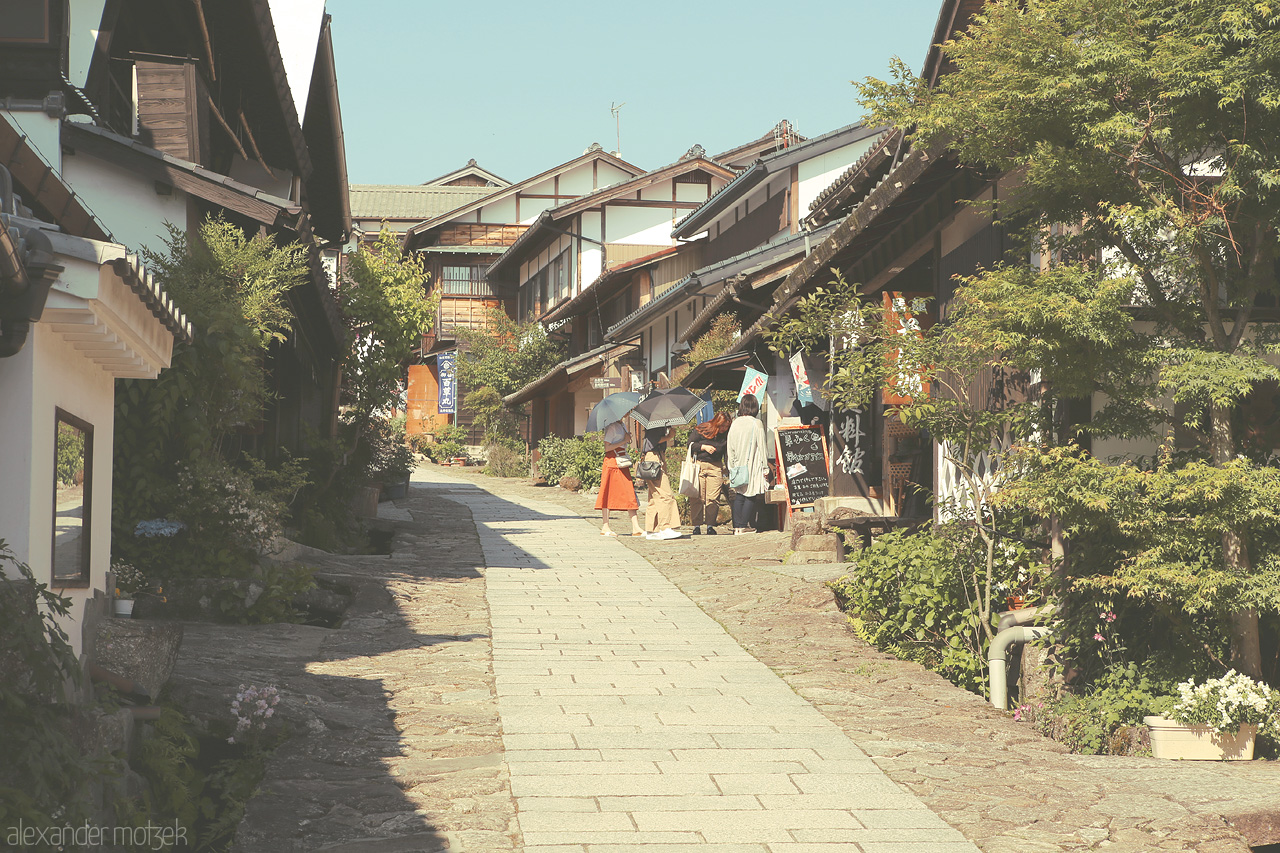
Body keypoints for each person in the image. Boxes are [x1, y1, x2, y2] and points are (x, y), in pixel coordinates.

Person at [726, 394, 769, 535]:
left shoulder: (735, 423)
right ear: (755, 407)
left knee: (739, 495)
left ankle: (737, 527)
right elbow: (762, 446)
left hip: (738, 465)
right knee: (750, 495)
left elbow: (730, 446)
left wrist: (731, 465)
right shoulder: (756, 423)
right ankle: (744, 526)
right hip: (752, 464)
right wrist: (765, 466)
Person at [596, 420, 643, 537]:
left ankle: (636, 526)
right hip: (613, 461)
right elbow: (607, 447)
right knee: (607, 493)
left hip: (622, 460)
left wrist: (626, 439)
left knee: (629, 492)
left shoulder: (622, 425)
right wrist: (624, 440)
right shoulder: (612, 427)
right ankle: (605, 526)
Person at [687, 412, 730, 535]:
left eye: (726, 426)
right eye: (722, 426)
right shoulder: (703, 429)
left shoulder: (726, 435)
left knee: (713, 498)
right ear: (716, 423)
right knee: (697, 497)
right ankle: (697, 525)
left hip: (715, 466)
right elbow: (690, 445)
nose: (723, 429)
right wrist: (703, 447)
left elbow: (726, 453)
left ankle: (710, 525)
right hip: (699, 465)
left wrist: (727, 468)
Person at [641, 426, 682, 540]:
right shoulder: (655, 423)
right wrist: (669, 436)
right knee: (665, 494)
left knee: (655, 496)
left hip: (656, 457)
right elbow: (654, 440)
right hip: (654, 458)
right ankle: (665, 527)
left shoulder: (657, 421)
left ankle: (652, 529)